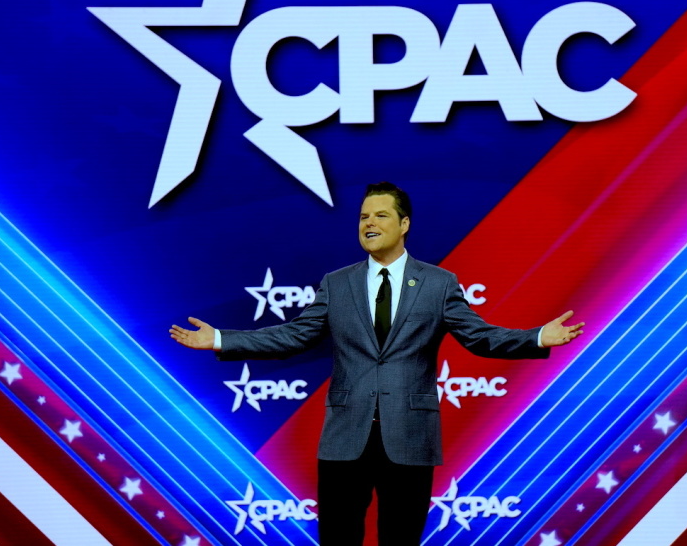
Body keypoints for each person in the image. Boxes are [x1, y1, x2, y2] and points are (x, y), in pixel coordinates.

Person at [170, 182, 584, 545]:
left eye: (381, 215)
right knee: (337, 538)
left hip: (410, 437)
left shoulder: (439, 283)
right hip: (345, 439)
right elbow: (295, 335)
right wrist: (222, 338)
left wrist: (536, 337)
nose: (369, 222)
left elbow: (479, 336)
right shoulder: (337, 283)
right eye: (364, 216)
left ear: (404, 224)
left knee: (401, 539)